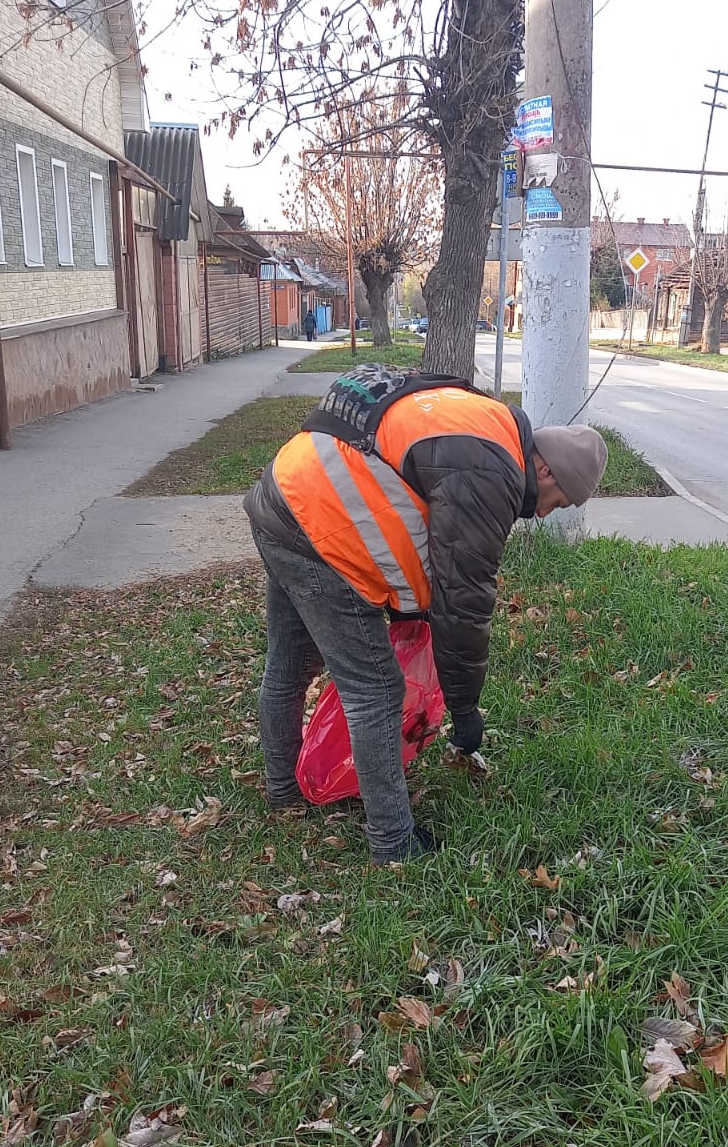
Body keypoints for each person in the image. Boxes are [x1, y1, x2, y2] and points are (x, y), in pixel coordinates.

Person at [243, 365, 608, 864]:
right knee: (375, 690)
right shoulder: (492, 472)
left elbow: (404, 499)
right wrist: (465, 709)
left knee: (289, 667)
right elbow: (463, 601)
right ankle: (393, 844)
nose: (544, 514)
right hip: (323, 532)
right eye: (557, 502)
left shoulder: (482, 420)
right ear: (545, 472)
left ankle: (283, 791)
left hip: (281, 495)